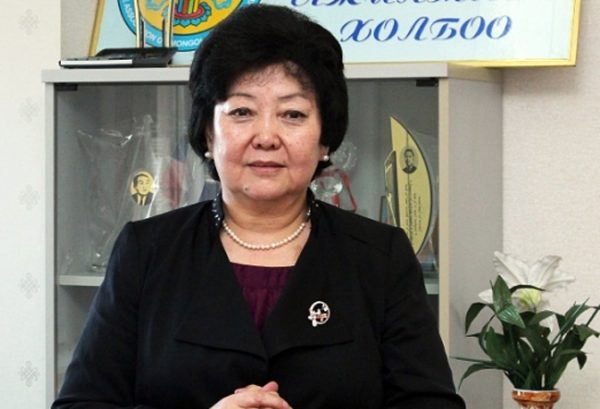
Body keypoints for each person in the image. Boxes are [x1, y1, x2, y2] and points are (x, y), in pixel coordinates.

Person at [52, 4, 466, 409]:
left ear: (325, 138)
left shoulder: (380, 257)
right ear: (208, 134)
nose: (266, 136)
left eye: (292, 114)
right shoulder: (147, 251)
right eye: (242, 111)